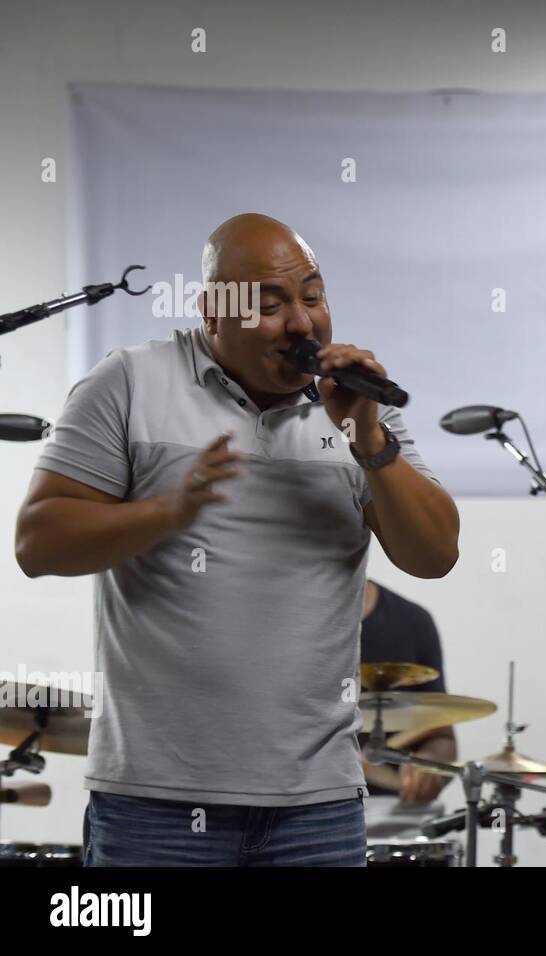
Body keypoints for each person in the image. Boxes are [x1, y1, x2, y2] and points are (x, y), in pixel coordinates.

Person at [14, 213, 460, 866]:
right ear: (213, 313)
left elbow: (435, 555)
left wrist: (368, 441)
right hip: (154, 803)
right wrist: (167, 512)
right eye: (272, 305)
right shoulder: (130, 383)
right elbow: (39, 543)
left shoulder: (362, 410)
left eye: (313, 295)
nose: (303, 323)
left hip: (319, 806)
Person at [359, 578, 456, 825]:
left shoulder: (412, 622)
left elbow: (442, 737)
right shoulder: (281, 620)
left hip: (392, 817)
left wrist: (429, 764)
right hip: (300, 814)